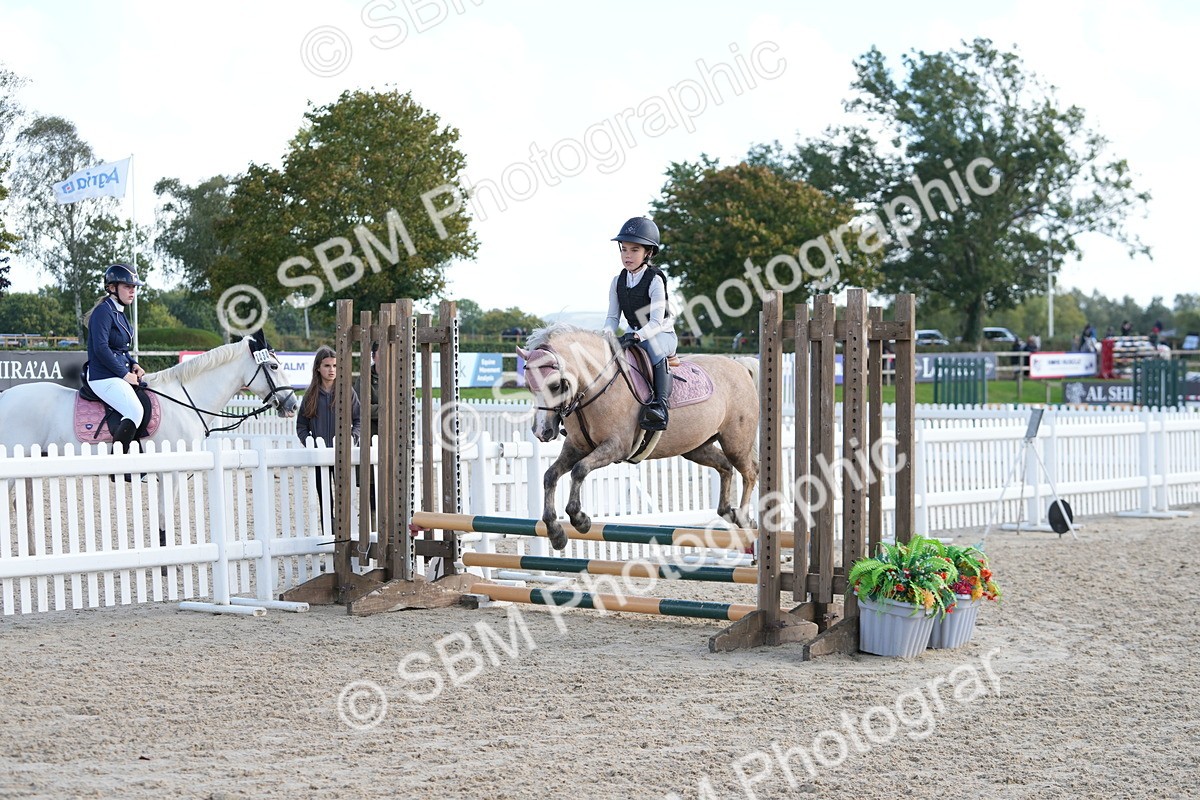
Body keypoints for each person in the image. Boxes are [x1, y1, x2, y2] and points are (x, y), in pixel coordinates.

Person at [603, 216, 677, 431]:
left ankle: (660, 407)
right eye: (624, 249)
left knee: (652, 349)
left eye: (634, 250)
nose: (627, 255)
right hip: (633, 333)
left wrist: (635, 336)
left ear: (648, 253)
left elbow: (655, 322)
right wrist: (607, 335)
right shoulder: (618, 281)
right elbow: (612, 317)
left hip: (661, 335)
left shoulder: (655, 279)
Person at [85, 264, 146, 458]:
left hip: (117, 374)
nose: (132, 291)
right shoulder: (103, 312)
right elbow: (101, 348)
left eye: (134, 287)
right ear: (112, 288)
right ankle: (117, 464)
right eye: (127, 286)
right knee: (135, 412)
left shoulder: (120, 313)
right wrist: (124, 374)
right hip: (102, 376)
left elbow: (121, 349)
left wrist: (133, 363)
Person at [296, 346, 361, 525]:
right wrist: (308, 441)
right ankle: (327, 530)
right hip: (319, 455)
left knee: (343, 497)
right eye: (327, 366)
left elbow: (359, 419)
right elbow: (301, 425)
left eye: (335, 366)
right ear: (318, 367)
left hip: (342, 455)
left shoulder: (347, 393)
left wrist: (353, 438)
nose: (332, 370)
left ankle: (343, 529)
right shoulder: (310, 395)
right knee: (325, 497)